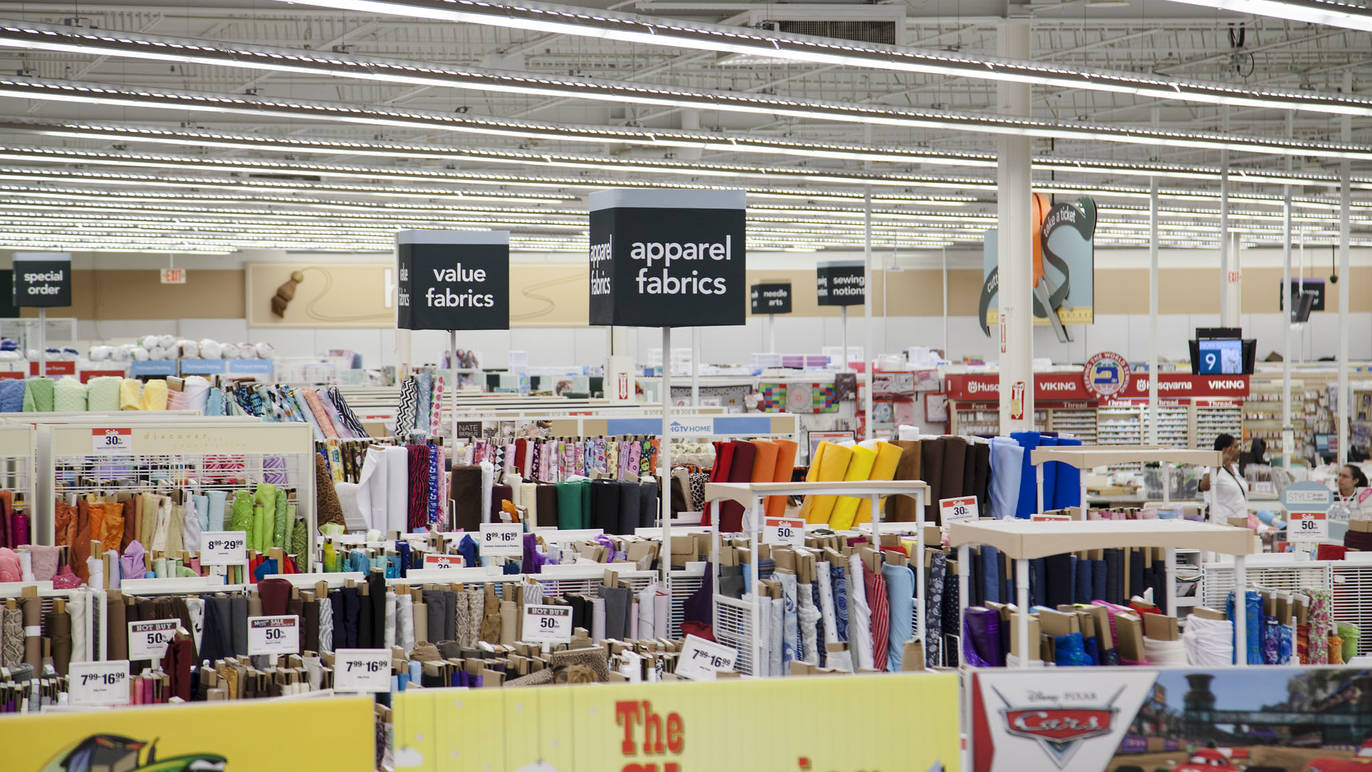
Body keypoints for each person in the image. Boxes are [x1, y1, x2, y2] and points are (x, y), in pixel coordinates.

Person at [1199, 433, 1247, 524]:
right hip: (1222, 522)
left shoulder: (1234, 469)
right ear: (1226, 449)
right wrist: (1220, 462)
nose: (1239, 450)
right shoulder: (1212, 467)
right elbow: (1204, 486)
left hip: (1238, 521)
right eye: (1236, 447)